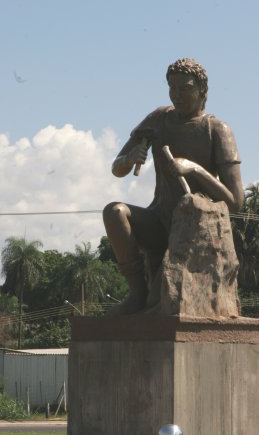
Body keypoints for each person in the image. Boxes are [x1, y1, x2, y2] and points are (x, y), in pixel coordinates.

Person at [103, 58, 244, 316]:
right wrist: (130, 158)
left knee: (163, 302)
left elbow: (235, 202)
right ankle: (137, 293)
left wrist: (195, 169)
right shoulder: (158, 119)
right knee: (115, 212)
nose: (177, 95)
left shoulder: (217, 130)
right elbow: (117, 168)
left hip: (194, 229)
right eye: (172, 88)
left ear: (202, 90)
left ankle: (152, 297)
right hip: (159, 221)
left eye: (185, 88)